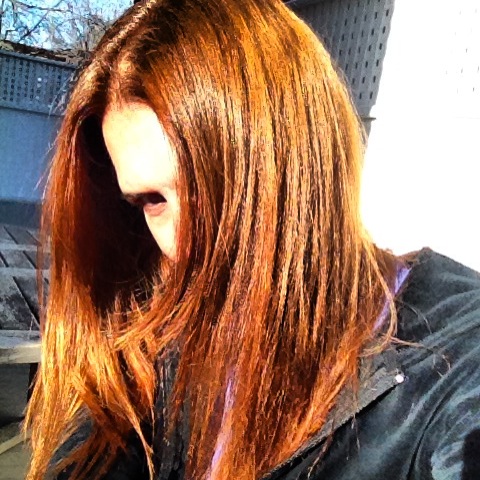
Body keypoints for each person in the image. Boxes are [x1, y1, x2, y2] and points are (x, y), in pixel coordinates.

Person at [25, 0, 480, 479]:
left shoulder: (454, 358)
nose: (185, 245)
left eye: (215, 188)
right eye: (152, 200)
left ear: (302, 162)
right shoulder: (158, 328)